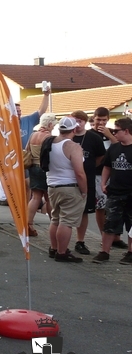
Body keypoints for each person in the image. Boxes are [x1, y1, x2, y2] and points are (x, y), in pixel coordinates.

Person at [45, 117, 87, 263]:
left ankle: (54, 248)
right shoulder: (73, 146)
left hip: (52, 185)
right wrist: (84, 191)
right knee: (66, 221)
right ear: (74, 129)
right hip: (69, 186)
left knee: (55, 219)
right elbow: (79, 173)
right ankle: (62, 252)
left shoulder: (50, 142)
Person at [93, 117, 132, 264]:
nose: (113, 133)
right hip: (115, 191)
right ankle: (104, 251)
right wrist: (103, 183)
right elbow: (107, 167)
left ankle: (130, 252)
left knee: (131, 224)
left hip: (130, 192)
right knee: (110, 223)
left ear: (126, 131)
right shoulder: (114, 148)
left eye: (116, 131)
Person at [70, 110, 105, 255]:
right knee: (67, 210)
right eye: (75, 121)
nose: (77, 124)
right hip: (69, 178)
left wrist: (90, 167)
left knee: (84, 211)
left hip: (87, 178)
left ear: (85, 122)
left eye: (80, 121)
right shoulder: (68, 136)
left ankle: (80, 241)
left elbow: (101, 156)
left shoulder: (93, 138)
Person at [90, 107, 125, 249]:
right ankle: (103, 236)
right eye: (98, 119)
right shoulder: (90, 134)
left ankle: (116, 237)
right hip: (98, 174)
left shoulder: (113, 132)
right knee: (101, 207)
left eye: (104, 120)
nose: (101, 123)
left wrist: (110, 135)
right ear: (94, 119)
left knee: (116, 207)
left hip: (115, 174)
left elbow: (122, 147)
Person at [25, 114, 56, 238]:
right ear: (50, 124)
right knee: (49, 198)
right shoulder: (49, 137)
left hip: (33, 167)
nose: (53, 127)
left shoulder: (33, 135)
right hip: (44, 168)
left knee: (35, 197)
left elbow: (27, 150)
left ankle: (29, 224)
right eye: (53, 125)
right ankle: (54, 224)